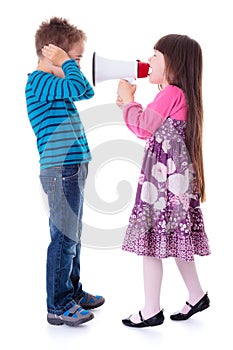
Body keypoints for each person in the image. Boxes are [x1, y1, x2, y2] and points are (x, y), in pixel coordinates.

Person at [116, 34, 210, 328]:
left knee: (150, 243)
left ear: (174, 63)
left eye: (155, 55)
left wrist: (130, 102)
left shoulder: (171, 93)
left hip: (162, 188)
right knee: (177, 240)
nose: (150, 60)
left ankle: (150, 309)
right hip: (172, 186)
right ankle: (196, 295)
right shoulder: (179, 95)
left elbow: (144, 128)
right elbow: (149, 126)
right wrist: (128, 107)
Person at [25, 17, 105, 327]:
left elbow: (81, 87)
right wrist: (64, 64)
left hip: (72, 167)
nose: (78, 65)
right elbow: (82, 89)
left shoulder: (55, 84)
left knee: (74, 235)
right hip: (60, 170)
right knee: (64, 237)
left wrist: (66, 63)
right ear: (51, 53)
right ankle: (57, 304)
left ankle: (72, 291)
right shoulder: (40, 82)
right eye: (75, 58)